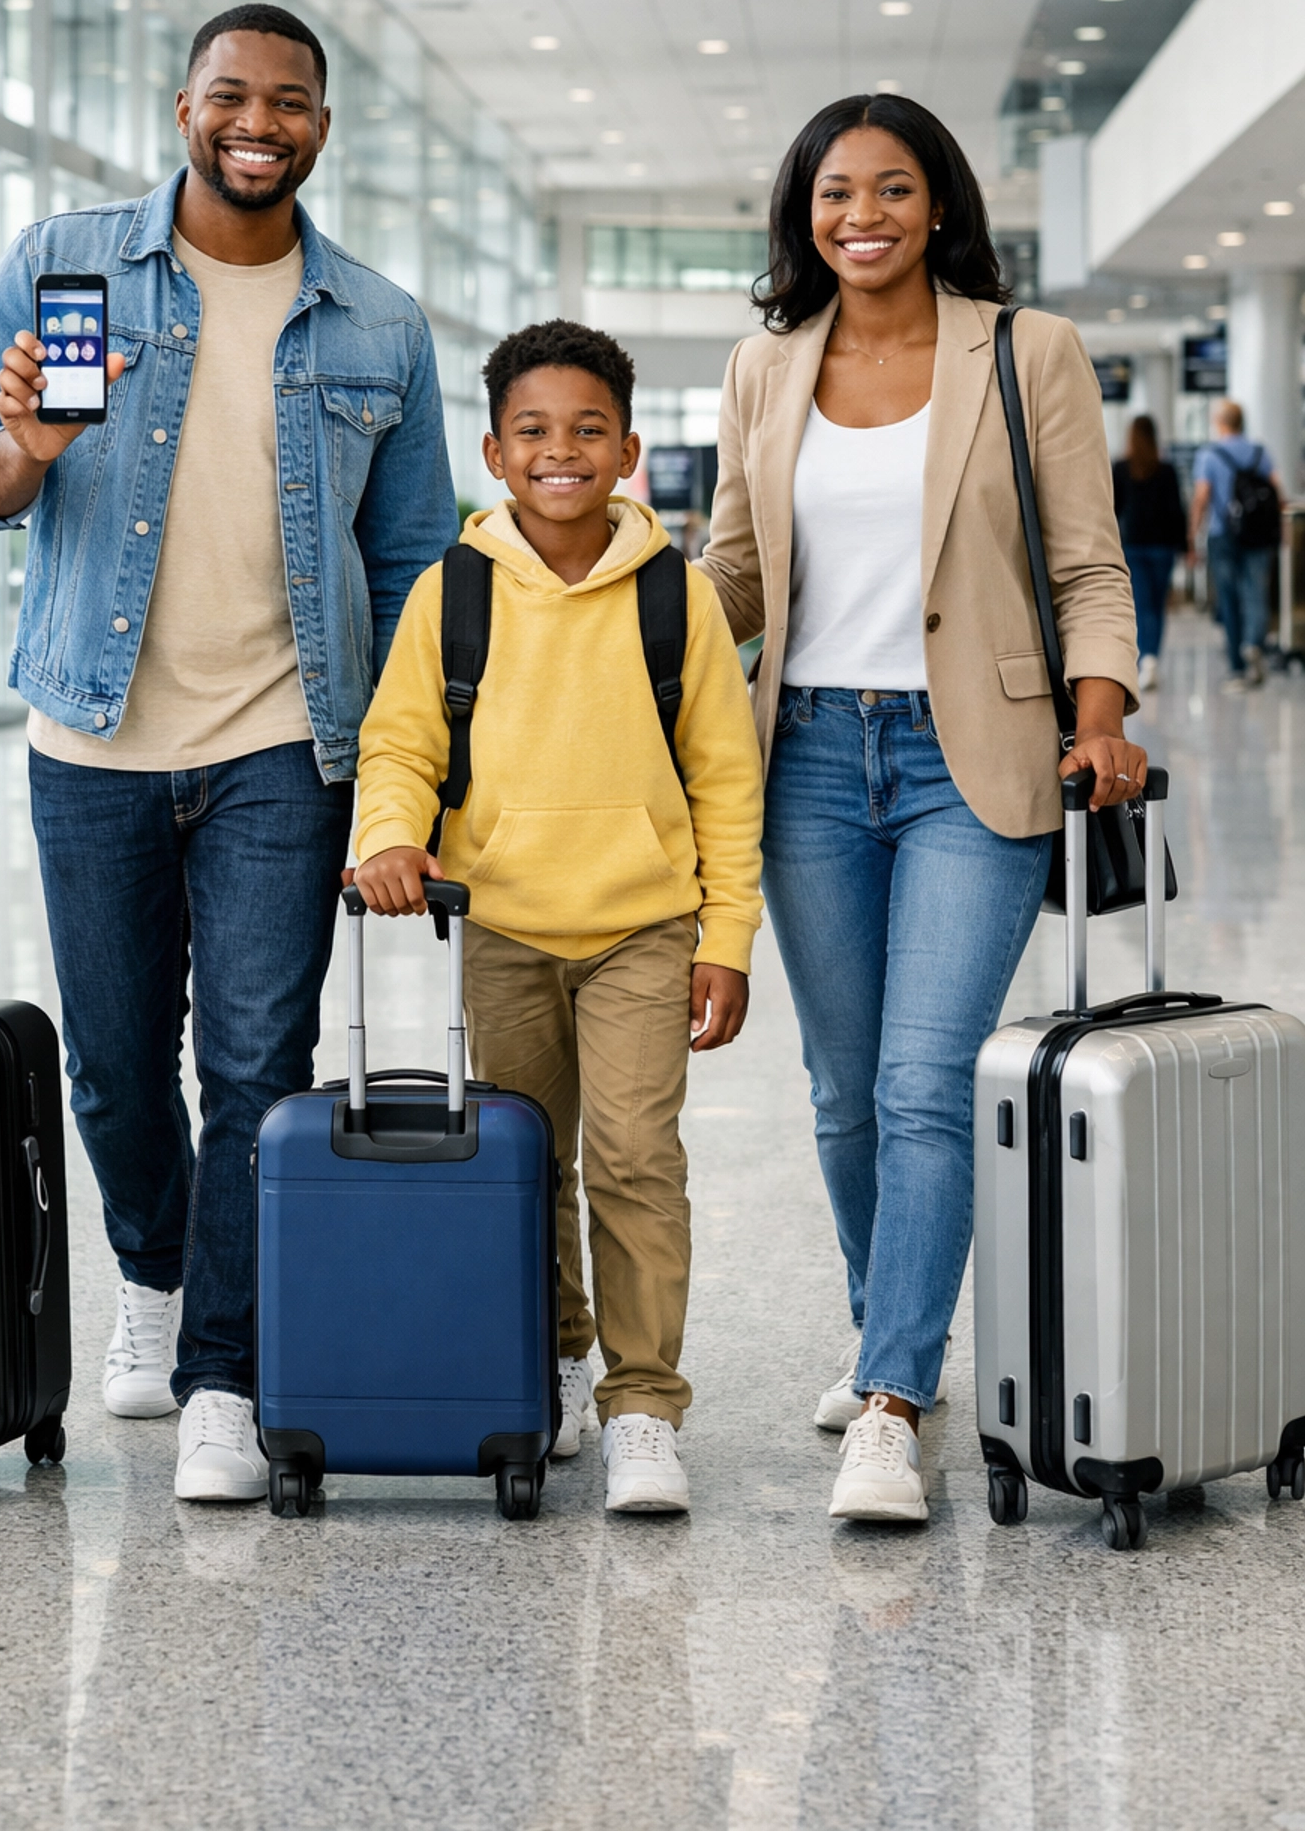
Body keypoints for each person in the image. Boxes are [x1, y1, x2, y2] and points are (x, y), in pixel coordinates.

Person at [0, 3, 457, 1503]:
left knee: (255, 1065)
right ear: (184, 111)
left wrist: (415, 773)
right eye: (232, 95)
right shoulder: (66, 262)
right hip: (91, 735)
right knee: (110, 1068)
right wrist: (25, 452)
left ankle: (225, 1369)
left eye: (288, 102)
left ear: (321, 128)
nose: (257, 123)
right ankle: (153, 1274)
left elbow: (415, 562)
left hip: (287, 745)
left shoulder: (381, 325)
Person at [699, 93, 1142, 1526]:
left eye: (891, 189)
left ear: (939, 203)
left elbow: (1088, 566)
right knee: (842, 1093)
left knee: (922, 1083)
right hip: (808, 758)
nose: (863, 216)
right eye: (836, 192)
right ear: (804, 211)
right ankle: (888, 1324)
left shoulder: (1025, 350)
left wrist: (1100, 716)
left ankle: (889, 1400)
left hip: (976, 758)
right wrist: (599, 597)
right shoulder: (765, 365)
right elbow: (735, 575)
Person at [349, 320, 764, 1516]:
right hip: (503, 923)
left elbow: (726, 783)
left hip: (645, 926)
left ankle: (645, 1407)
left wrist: (727, 940)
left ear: (628, 451)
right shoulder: (453, 590)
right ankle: (563, 1353)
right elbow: (401, 742)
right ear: (494, 453)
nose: (561, 450)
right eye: (532, 430)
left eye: (588, 429)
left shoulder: (680, 597)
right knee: (526, 1165)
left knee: (635, 1161)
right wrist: (389, 835)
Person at [1189, 399, 1286, 694]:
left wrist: (1192, 536)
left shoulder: (1209, 454)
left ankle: (1237, 667)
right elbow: (1277, 491)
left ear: (1220, 423)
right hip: (1257, 534)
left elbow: (1202, 497)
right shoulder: (1260, 452)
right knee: (1256, 592)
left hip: (1223, 535)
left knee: (1228, 598)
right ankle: (1253, 643)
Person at [1112, 414, 1187, 694]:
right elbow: (1177, 510)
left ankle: (1148, 659)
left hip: (1133, 545)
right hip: (1162, 547)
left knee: (1142, 604)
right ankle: (1152, 657)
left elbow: (1113, 509)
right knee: (1156, 605)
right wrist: (1185, 546)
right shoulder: (1166, 470)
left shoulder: (1122, 468)